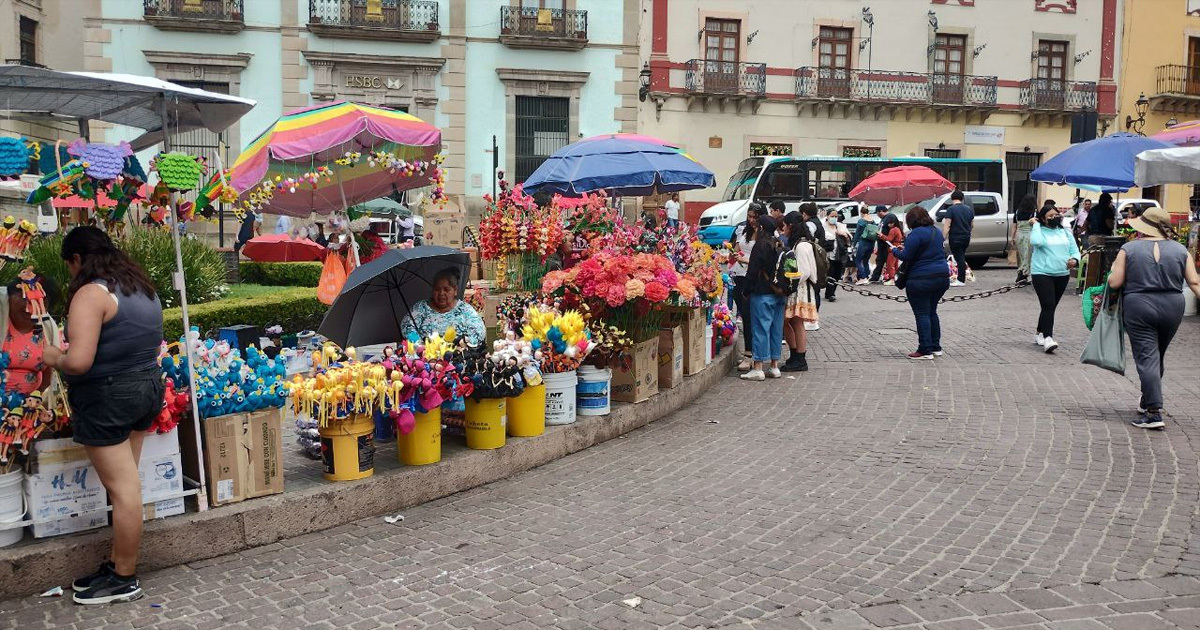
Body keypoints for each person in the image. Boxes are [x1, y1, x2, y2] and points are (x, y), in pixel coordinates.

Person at [41, 227, 164, 605]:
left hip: (110, 396)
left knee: (124, 491)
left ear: (77, 259)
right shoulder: (140, 286)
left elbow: (78, 361)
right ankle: (116, 565)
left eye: (69, 265)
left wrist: (53, 357)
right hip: (146, 389)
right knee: (126, 486)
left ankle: (124, 578)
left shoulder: (91, 293)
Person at [1106, 207, 1200, 430]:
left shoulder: (1128, 248)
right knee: (1157, 354)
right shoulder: (1180, 250)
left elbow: (1114, 283)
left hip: (1139, 306)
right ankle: (1147, 399)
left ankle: (1153, 412)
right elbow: (1194, 283)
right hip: (1173, 306)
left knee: (1147, 357)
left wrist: (1112, 270)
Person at [890, 207, 950, 360]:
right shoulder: (936, 231)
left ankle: (925, 349)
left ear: (912, 221)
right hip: (942, 276)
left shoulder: (915, 234)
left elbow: (906, 256)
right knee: (932, 312)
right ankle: (936, 347)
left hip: (921, 278)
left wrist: (896, 250)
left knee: (922, 313)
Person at [1027, 202, 1080, 354]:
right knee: (1049, 304)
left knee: (1049, 306)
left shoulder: (1065, 232)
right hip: (1042, 273)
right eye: (1050, 216)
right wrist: (1035, 225)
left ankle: (1039, 333)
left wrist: (1075, 260)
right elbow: (1036, 242)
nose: (1054, 217)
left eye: (1056, 214)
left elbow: (1074, 250)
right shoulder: (1039, 231)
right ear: (1043, 219)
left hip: (1062, 274)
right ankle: (1048, 338)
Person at [740, 216, 786, 381]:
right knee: (775, 329)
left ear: (761, 228)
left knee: (760, 329)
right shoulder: (779, 244)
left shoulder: (761, 245)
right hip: (780, 293)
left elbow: (753, 271)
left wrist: (746, 291)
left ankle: (758, 367)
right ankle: (774, 366)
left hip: (762, 292)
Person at [400, 266, 486, 346]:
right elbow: (407, 328)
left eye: (446, 289)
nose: (441, 293)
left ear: (455, 290)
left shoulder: (465, 310)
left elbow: (478, 332)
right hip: (426, 356)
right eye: (437, 289)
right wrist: (421, 346)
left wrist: (462, 345)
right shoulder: (421, 308)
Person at [1, 275, 58, 395]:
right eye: (24, 298)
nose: (30, 308)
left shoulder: (47, 329)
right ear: (9, 298)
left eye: (38, 302)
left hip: (27, 406)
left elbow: (48, 375)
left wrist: (33, 402)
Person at [780, 213, 818, 372]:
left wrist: (790, 282)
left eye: (784, 225)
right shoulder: (801, 243)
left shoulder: (801, 246)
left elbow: (805, 271)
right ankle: (795, 355)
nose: (783, 229)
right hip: (798, 288)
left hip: (799, 289)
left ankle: (799, 356)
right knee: (792, 322)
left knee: (795, 322)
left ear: (791, 226)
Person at [732, 203, 765, 372]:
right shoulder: (743, 230)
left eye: (755, 217)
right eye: (749, 216)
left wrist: (748, 261)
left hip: (755, 277)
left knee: (752, 315)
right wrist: (730, 254)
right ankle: (749, 352)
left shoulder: (766, 233)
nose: (751, 220)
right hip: (739, 275)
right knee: (744, 315)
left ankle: (751, 354)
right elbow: (737, 249)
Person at [941, 190, 974, 287]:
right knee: (961, 256)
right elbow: (972, 224)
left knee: (959, 258)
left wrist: (943, 238)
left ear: (952, 199)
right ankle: (961, 277)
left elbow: (947, 226)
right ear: (962, 199)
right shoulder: (968, 209)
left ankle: (961, 279)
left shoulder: (951, 210)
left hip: (955, 237)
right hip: (966, 236)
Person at [823, 208, 852, 302]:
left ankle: (832, 292)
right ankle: (830, 293)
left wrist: (843, 235)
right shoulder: (823, 227)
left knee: (837, 274)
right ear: (827, 216)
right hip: (828, 255)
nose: (834, 218)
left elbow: (848, 241)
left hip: (840, 255)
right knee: (830, 273)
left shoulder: (841, 226)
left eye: (836, 216)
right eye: (832, 216)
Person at [853, 205, 883, 284]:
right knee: (866, 261)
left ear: (861, 212)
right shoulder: (873, 221)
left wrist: (853, 243)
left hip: (863, 242)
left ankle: (863, 277)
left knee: (858, 260)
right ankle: (866, 276)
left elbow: (857, 233)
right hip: (871, 243)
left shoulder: (861, 221)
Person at [1012, 197, 1039, 282]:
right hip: (1029, 236)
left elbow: (1014, 226)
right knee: (1028, 256)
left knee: (1021, 256)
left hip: (1019, 235)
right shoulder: (1034, 213)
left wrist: (1012, 237)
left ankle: (1021, 271)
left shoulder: (1017, 212)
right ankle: (1024, 273)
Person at [877, 214, 904, 285]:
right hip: (898, 248)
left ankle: (891, 279)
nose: (888, 225)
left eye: (890, 223)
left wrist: (881, 235)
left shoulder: (893, 230)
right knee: (895, 265)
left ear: (893, 223)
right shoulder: (898, 229)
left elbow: (889, 239)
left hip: (892, 248)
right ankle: (894, 278)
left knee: (890, 264)